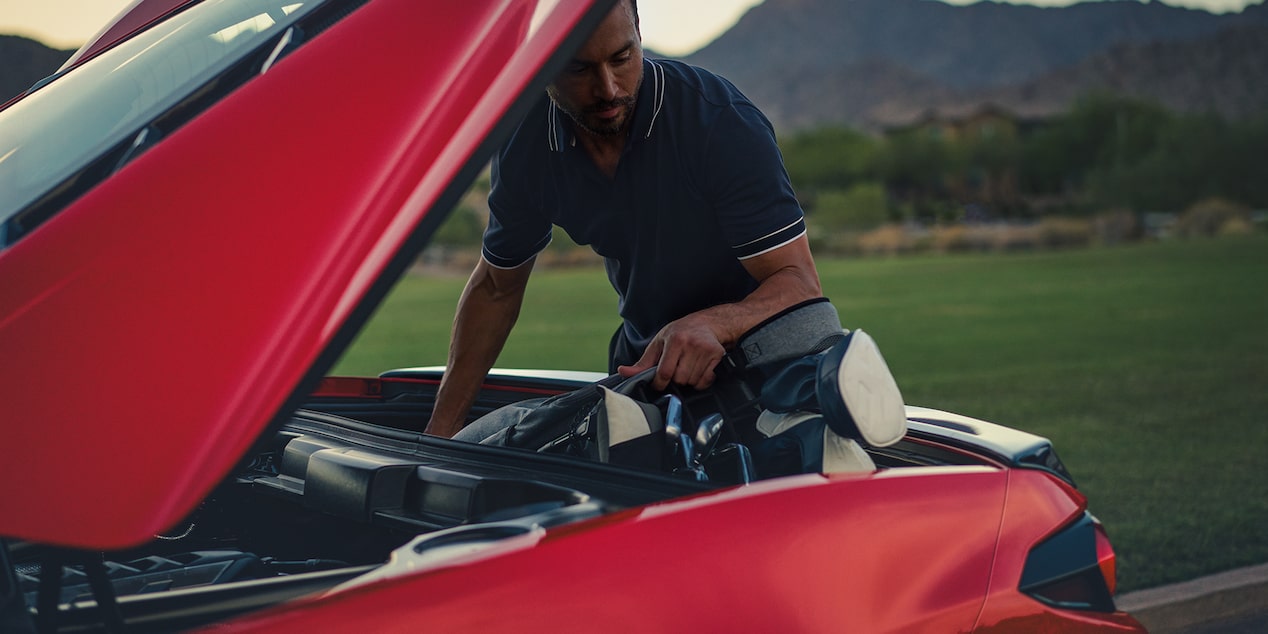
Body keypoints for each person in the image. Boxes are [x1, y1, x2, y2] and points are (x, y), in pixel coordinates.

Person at [424, 0, 822, 439]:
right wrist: (439, 435)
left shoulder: (720, 123)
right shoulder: (525, 144)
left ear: (637, 27)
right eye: (579, 69)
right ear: (540, 63)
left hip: (761, 365)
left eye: (622, 58)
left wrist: (712, 323)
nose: (608, 88)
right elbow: (496, 289)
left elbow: (799, 283)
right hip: (642, 368)